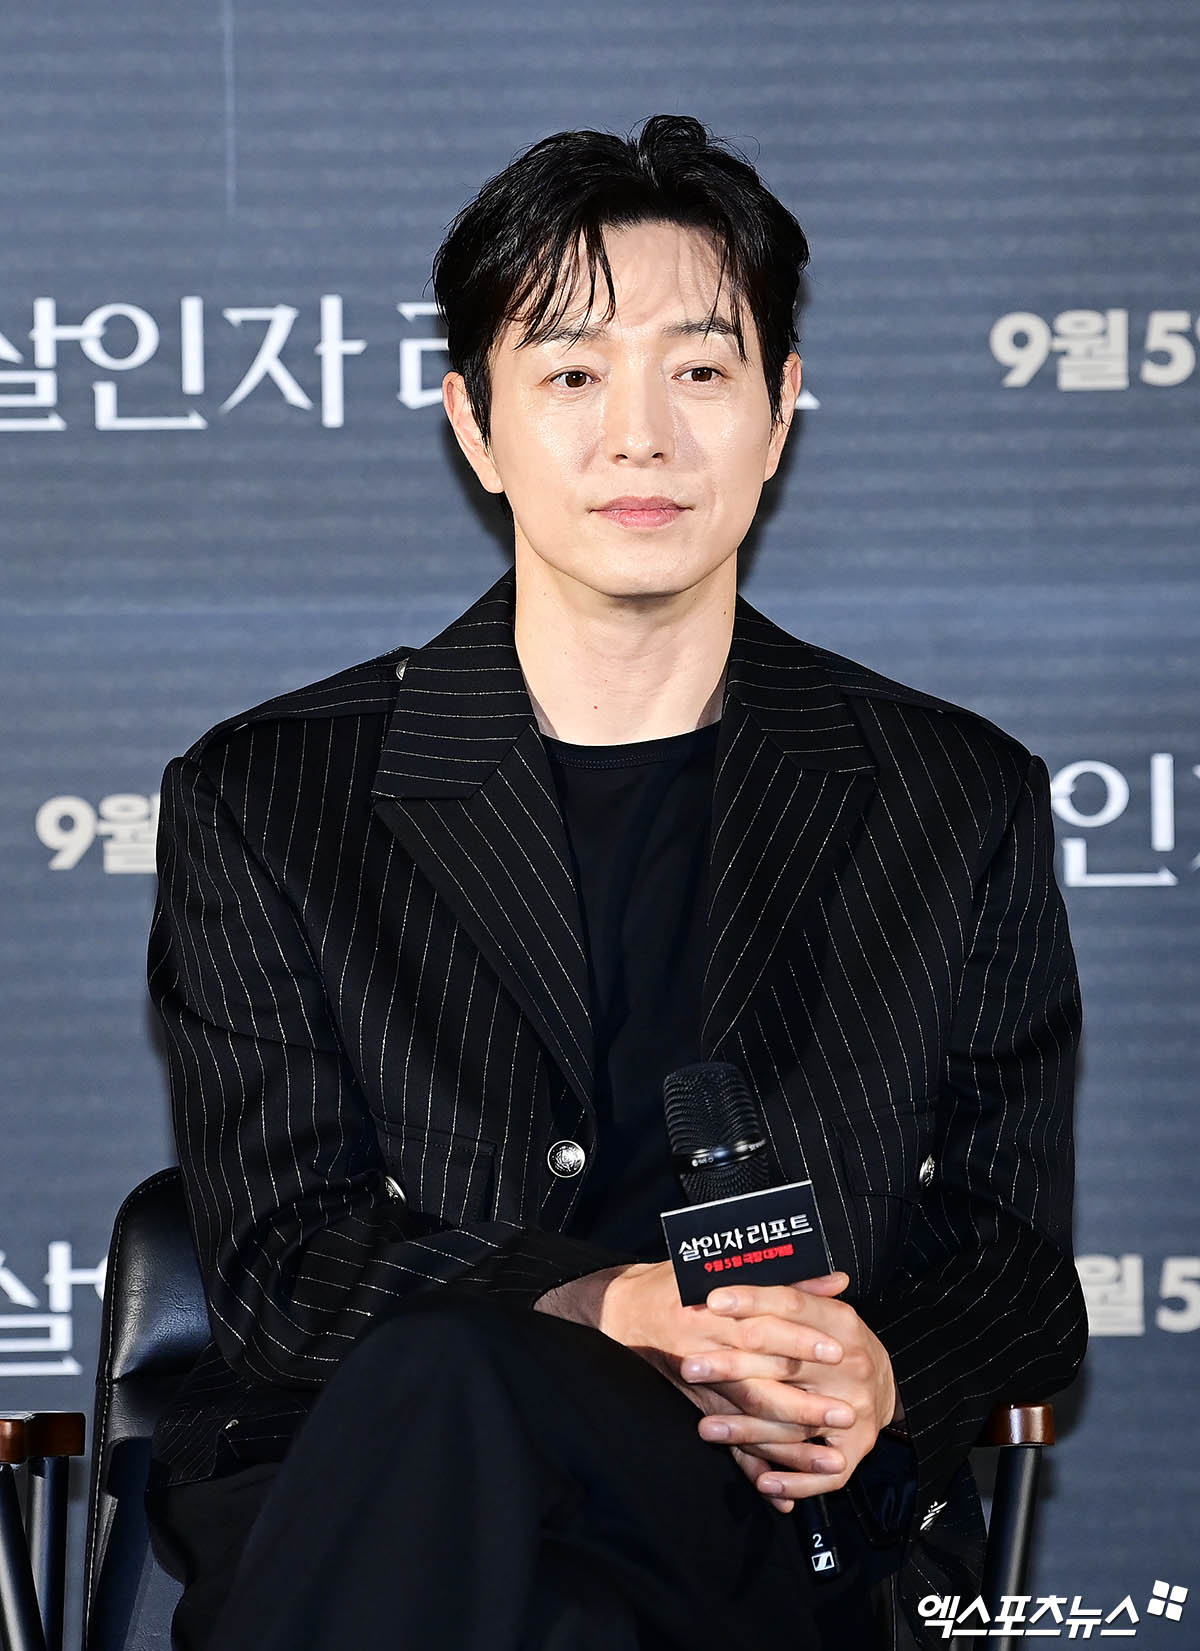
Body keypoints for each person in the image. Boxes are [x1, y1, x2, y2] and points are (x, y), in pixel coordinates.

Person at [145, 115, 1087, 1651]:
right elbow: (281, 1262)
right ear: (474, 425)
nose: (640, 436)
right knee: (473, 1419)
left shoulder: (950, 799)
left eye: (700, 371)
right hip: (369, 1478)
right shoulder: (270, 800)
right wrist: (607, 1306)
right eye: (573, 376)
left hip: (758, 1493)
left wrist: (882, 1372)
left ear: (780, 413)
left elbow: (1015, 1268)